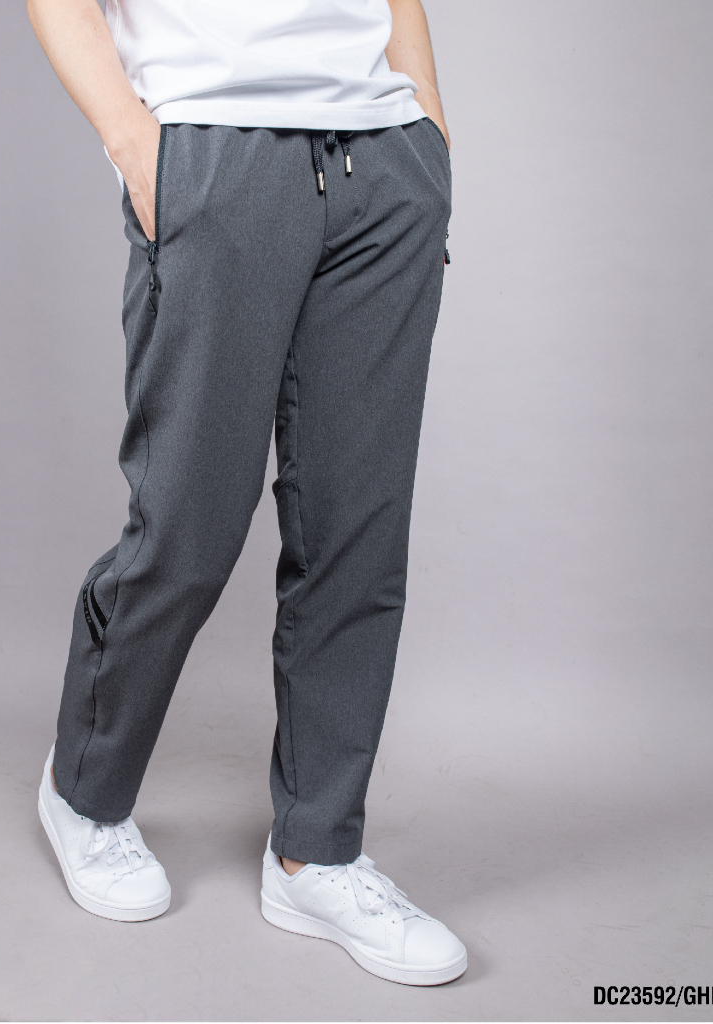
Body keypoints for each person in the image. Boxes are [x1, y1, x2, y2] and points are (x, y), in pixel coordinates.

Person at [28, 0, 464, 986]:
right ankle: (84, 789)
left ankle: (318, 852)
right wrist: (137, 147)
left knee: (357, 531)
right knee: (186, 528)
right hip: (213, 156)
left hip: (382, 161)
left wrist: (430, 133)